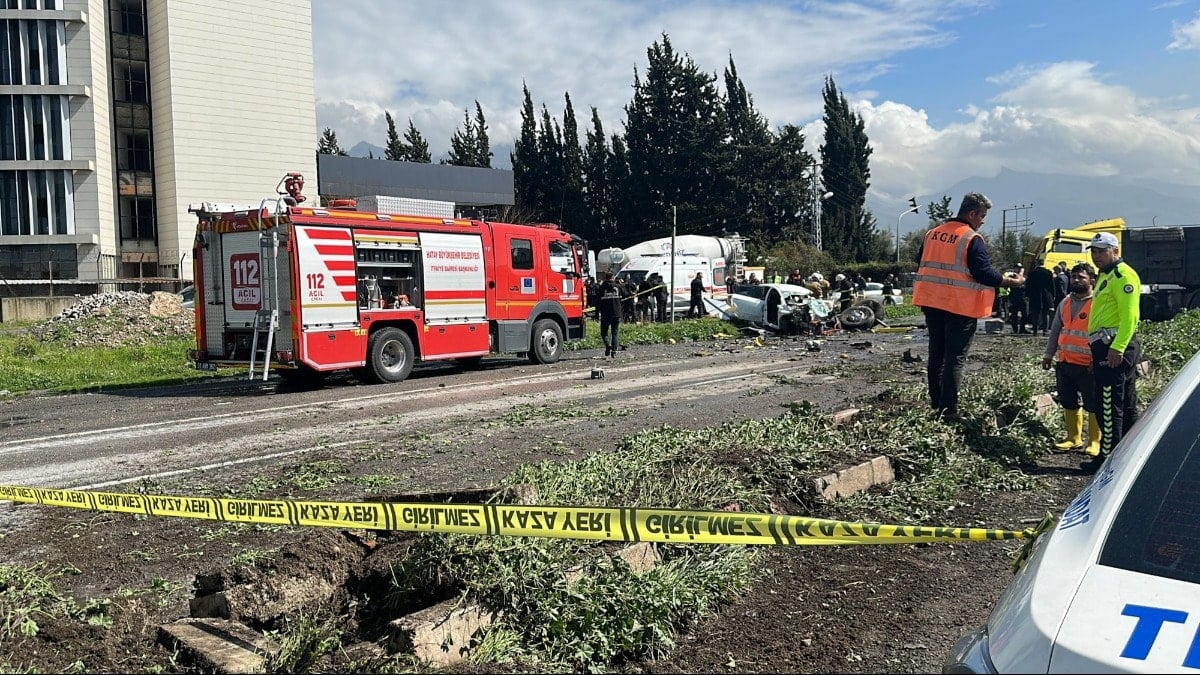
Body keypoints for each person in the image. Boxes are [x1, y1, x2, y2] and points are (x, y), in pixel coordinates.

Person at [912, 192, 1025, 422]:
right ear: (972, 213)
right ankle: (949, 410)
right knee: (954, 358)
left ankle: (936, 403)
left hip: (931, 302)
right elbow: (983, 272)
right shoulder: (971, 239)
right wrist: (1010, 282)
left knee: (936, 355)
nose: (983, 221)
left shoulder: (931, 234)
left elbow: (921, 260)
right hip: (958, 307)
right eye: (982, 216)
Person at [1083, 231, 1141, 472]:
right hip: (1105, 347)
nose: (1096, 256)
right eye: (1094, 251)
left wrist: (1117, 347)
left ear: (1115, 251)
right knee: (1125, 404)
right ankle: (1127, 455)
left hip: (1114, 347)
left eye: (1101, 251)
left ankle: (1106, 460)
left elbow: (1131, 316)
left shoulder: (1122, 275)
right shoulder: (1106, 275)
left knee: (1108, 405)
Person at [1041, 263, 1100, 456]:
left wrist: (1097, 359)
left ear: (1091, 281)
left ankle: (1093, 441)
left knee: (1092, 403)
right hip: (1065, 362)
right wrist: (1048, 355)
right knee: (1068, 400)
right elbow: (1055, 331)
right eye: (1074, 277)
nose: (1076, 280)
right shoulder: (1065, 302)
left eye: (1081, 277)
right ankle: (1073, 438)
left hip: (1088, 365)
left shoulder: (1098, 303)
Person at [596, 272, 622, 358]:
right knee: (615, 333)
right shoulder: (618, 286)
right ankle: (614, 351)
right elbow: (624, 296)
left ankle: (608, 344)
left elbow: (598, 301)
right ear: (613, 277)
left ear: (605, 278)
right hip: (616, 313)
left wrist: (597, 312)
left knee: (604, 332)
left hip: (605, 314)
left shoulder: (602, 287)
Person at [1026, 262, 1055, 335]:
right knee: (1046, 313)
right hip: (1046, 294)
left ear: (1037, 265)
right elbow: (1052, 285)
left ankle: (1035, 330)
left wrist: (1028, 295)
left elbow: (1028, 285)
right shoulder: (1048, 273)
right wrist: (1053, 295)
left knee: (1035, 313)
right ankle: (1045, 330)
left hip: (1035, 295)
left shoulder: (1032, 273)